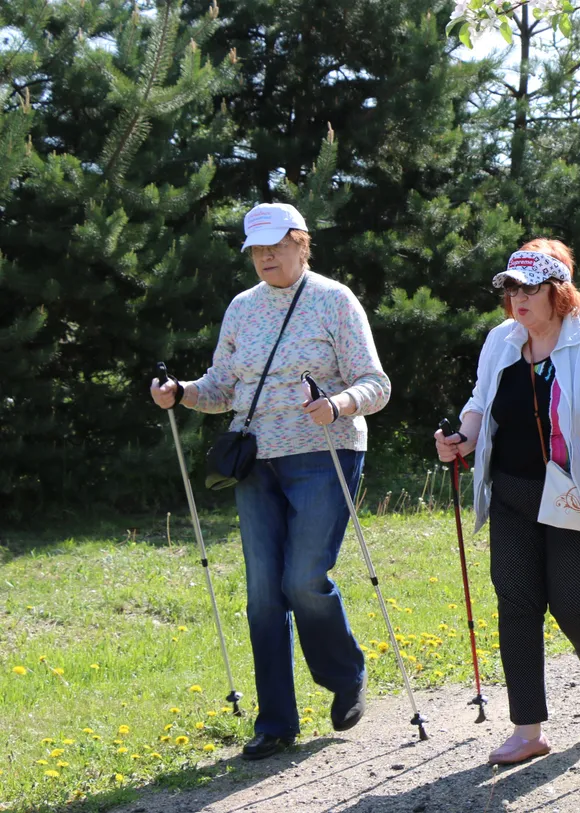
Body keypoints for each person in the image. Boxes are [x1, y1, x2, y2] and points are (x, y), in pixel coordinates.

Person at [150, 203, 390, 761]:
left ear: (302, 244)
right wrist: (180, 391)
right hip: (255, 460)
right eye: (256, 250)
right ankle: (276, 721)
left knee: (303, 580)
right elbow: (221, 387)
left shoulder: (334, 300)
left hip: (323, 452)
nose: (264, 258)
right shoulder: (241, 308)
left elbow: (375, 384)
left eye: (275, 247)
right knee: (263, 596)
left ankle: (346, 673)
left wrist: (337, 404)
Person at [434, 239, 580, 765]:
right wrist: (461, 439)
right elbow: (479, 403)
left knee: (575, 599)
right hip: (512, 490)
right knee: (517, 603)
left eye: (530, 288)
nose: (518, 299)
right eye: (511, 288)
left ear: (559, 292)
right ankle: (527, 728)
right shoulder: (500, 342)